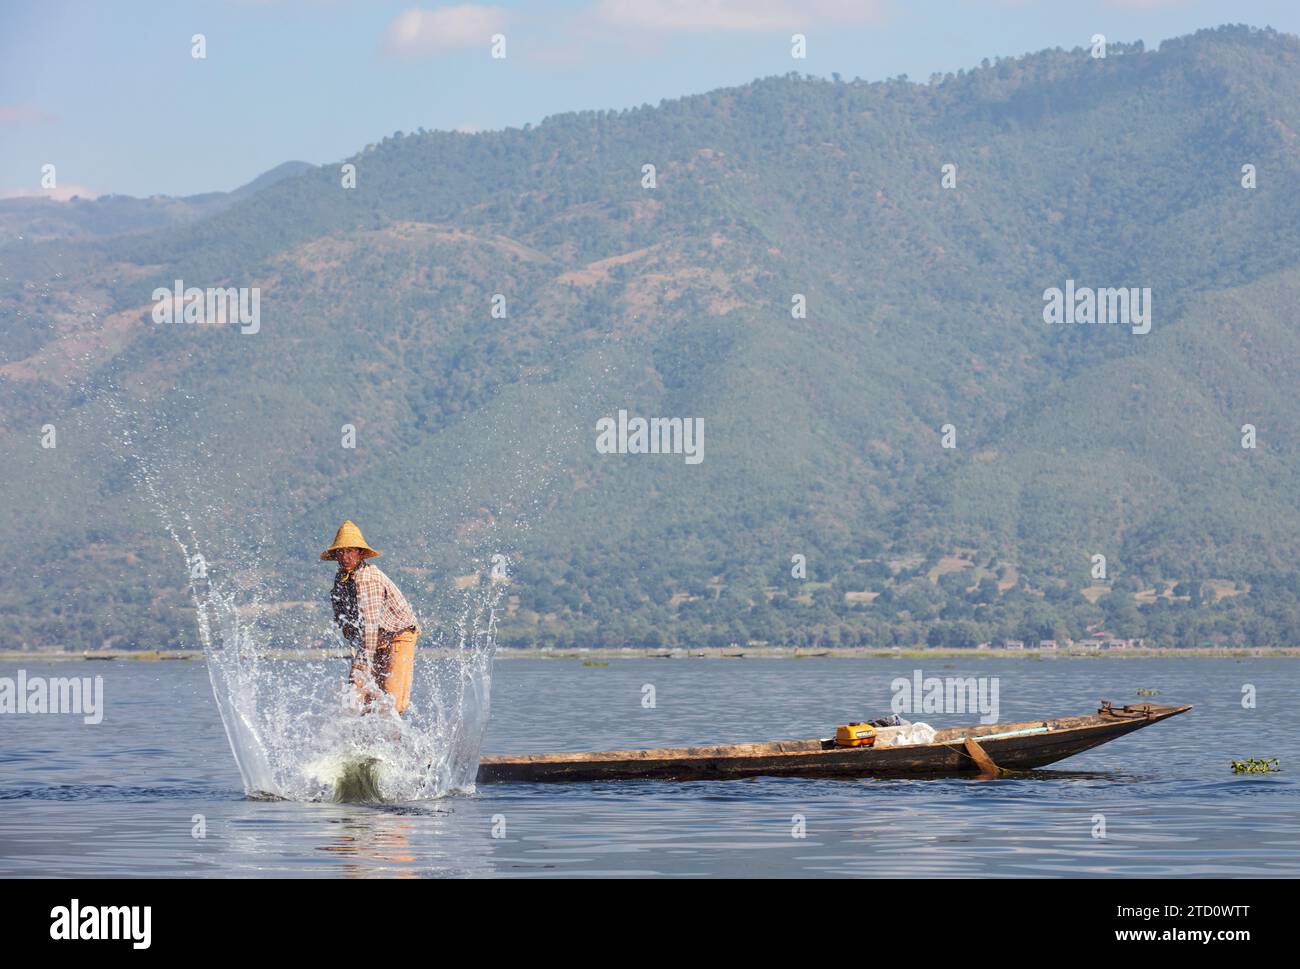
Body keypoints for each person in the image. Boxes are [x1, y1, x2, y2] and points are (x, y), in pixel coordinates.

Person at [321, 520, 419, 715]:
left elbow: (370, 627)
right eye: (341, 552)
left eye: (350, 551)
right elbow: (339, 607)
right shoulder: (342, 578)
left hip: (398, 635)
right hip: (375, 639)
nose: (345, 556)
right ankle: (362, 742)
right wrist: (345, 625)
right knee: (357, 699)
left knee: (390, 703)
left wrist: (362, 663)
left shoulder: (368, 579)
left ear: (360, 553)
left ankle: (396, 741)